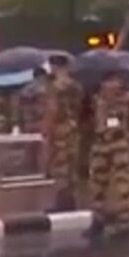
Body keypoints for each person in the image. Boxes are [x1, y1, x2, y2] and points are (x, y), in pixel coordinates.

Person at [84, 69, 129, 240]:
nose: (111, 87)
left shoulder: (126, 99)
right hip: (101, 143)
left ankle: (124, 221)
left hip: (117, 142)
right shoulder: (97, 100)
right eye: (108, 83)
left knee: (122, 184)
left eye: (114, 83)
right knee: (97, 183)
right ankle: (98, 219)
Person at [45, 56, 83, 212]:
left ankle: (62, 202)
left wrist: (47, 129)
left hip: (60, 130)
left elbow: (53, 110)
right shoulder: (76, 86)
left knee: (60, 167)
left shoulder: (55, 86)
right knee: (71, 167)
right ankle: (71, 199)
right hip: (73, 129)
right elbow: (79, 107)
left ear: (55, 66)